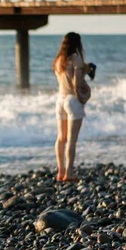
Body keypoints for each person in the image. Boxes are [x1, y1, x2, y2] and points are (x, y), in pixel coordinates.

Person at [53, 32, 91, 183]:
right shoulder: (76, 59)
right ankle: (69, 172)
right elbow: (77, 83)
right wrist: (86, 71)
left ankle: (60, 171)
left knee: (61, 138)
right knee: (72, 140)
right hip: (72, 100)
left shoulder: (58, 60)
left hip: (60, 100)